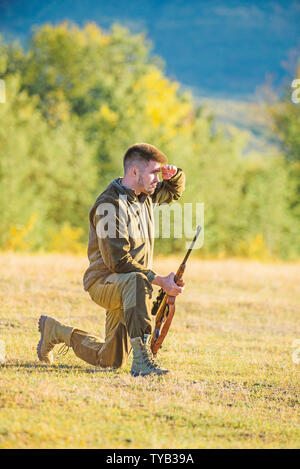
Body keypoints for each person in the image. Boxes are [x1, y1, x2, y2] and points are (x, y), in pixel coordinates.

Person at [37, 143, 185, 376]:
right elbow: (118, 262)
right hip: (105, 282)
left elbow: (174, 192)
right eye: (154, 173)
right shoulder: (109, 205)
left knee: (110, 360)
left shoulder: (143, 193)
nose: (158, 179)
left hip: (129, 286)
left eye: (159, 174)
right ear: (134, 172)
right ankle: (142, 360)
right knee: (139, 280)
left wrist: (175, 175)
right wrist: (160, 281)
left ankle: (56, 331)